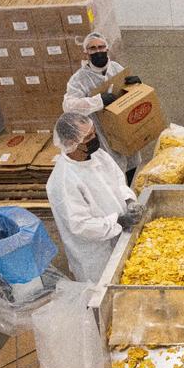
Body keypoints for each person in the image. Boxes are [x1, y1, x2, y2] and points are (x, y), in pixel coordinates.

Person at [46, 112, 144, 283]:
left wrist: (129, 201)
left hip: (119, 234)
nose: (95, 138)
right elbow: (81, 226)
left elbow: (118, 182)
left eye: (94, 133)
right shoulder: (63, 181)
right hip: (95, 252)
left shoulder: (98, 155)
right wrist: (119, 221)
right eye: (89, 136)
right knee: (102, 289)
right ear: (71, 143)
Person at [64, 32, 142, 182]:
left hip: (124, 132)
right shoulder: (79, 79)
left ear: (107, 49)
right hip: (102, 136)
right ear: (86, 53)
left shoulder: (116, 68)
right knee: (112, 176)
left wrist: (136, 86)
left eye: (101, 47)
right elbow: (68, 106)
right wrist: (98, 101)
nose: (98, 51)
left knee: (131, 171)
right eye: (92, 48)